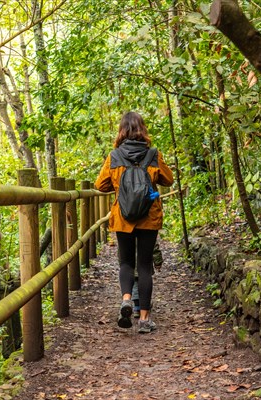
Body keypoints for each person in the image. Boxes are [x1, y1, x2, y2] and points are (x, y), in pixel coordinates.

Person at [95, 111, 174, 333]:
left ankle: (127, 300)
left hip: (123, 217)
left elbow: (100, 185)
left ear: (122, 131)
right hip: (149, 216)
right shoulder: (153, 155)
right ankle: (145, 320)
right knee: (145, 265)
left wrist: (120, 185)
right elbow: (168, 179)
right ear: (142, 129)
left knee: (126, 262)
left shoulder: (114, 156)